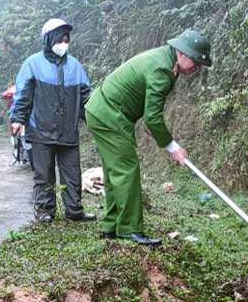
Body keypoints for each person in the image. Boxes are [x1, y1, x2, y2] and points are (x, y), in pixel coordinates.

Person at [83, 29, 211, 246]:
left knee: (115, 170)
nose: (197, 67)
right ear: (181, 53)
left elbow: (150, 119)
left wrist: (166, 141)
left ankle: (112, 226)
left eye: (201, 63)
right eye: (196, 61)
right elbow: (152, 119)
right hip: (109, 113)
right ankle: (129, 229)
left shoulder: (166, 59)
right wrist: (173, 148)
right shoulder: (162, 68)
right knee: (126, 169)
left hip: (101, 109)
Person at [9, 18, 95, 224]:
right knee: (43, 175)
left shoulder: (75, 66)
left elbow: (86, 98)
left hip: (68, 130)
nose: (64, 42)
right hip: (40, 130)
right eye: (60, 38)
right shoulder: (32, 64)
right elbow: (23, 95)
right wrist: (18, 119)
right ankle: (45, 212)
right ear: (48, 39)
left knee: (72, 173)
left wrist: (96, 120)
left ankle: (74, 211)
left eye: (67, 38)